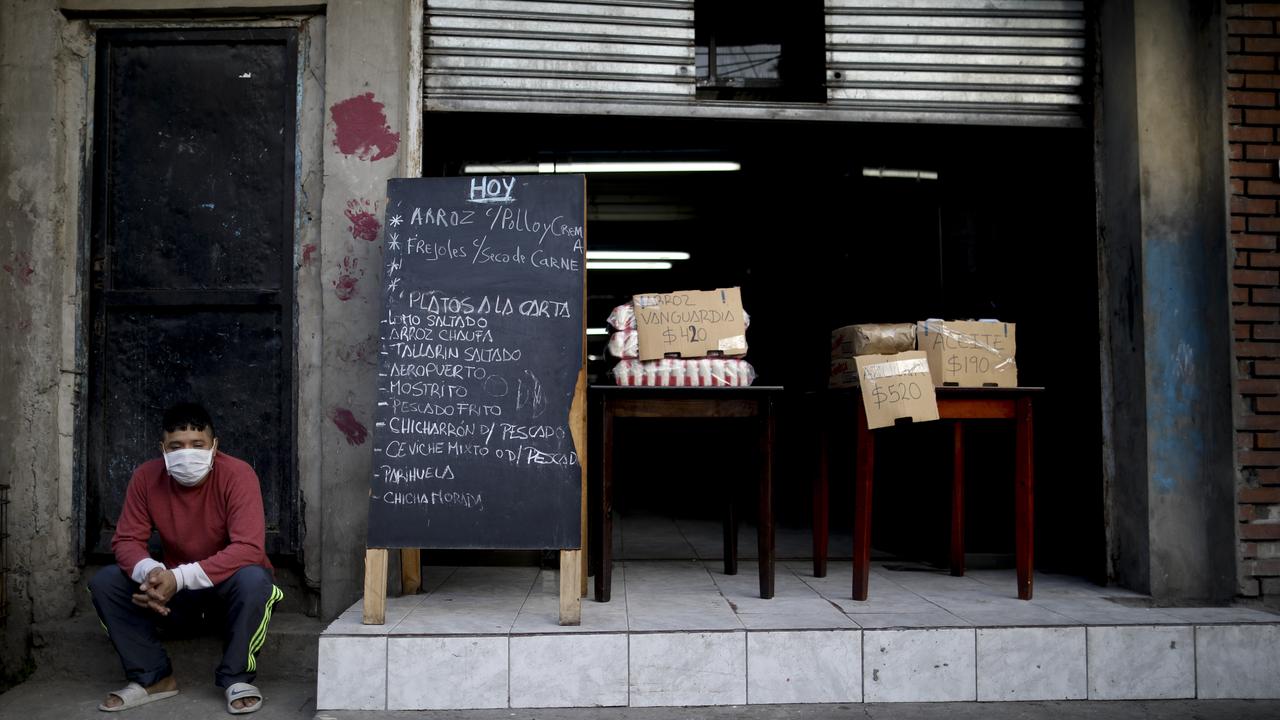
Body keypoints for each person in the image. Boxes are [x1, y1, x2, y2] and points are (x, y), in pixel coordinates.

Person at [89, 402, 282, 714]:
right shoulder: (146, 477)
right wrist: (152, 574)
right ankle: (153, 677)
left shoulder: (238, 474)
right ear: (163, 448)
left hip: (225, 597)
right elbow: (126, 540)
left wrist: (175, 578)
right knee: (106, 582)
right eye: (176, 446)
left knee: (255, 578)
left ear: (214, 446)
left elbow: (249, 548)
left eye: (198, 445)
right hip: (173, 602)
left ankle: (237, 678)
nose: (187, 453)